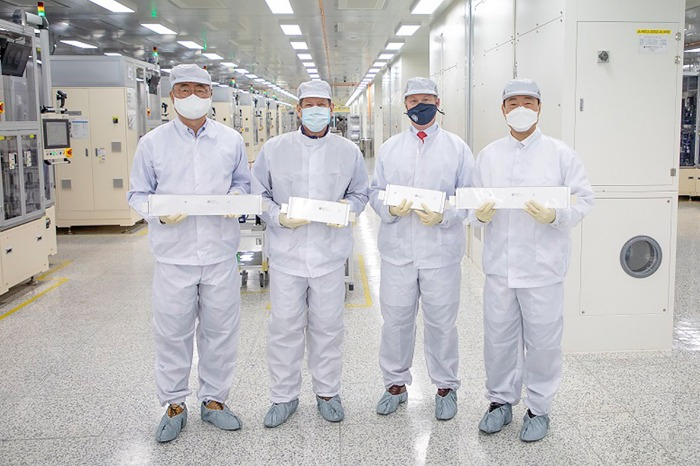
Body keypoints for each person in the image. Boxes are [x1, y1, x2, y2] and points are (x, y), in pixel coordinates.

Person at [127, 64, 251, 442]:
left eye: (200, 89)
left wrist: (235, 199)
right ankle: (174, 404)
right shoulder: (153, 143)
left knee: (220, 331)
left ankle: (214, 400)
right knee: (172, 332)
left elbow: (244, 184)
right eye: (184, 90)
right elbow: (137, 194)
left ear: (210, 95)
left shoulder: (231, 140)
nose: (193, 97)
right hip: (173, 256)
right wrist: (157, 211)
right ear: (171, 96)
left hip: (219, 253)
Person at [471, 78, 594, 442]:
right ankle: (500, 402)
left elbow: (584, 200)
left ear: (539, 107)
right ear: (503, 109)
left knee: (542, 342)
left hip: (543, 268)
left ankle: (539, 408)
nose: (520, 109)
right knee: (498, 339)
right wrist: (478, 214)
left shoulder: (561, 154)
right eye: (513, 103)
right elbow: (472, 206)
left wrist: (555, 215)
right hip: (499, 269)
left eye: (528, 102)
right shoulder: (489, 155)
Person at [251, 80, 369, 428]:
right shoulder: (274, 148)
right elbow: (259, 195)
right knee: (284, 327)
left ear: (331, 109)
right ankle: (283, 397)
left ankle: (328, 392)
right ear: (298, 109)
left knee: (328, 327)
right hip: (287, 255)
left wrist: (347, 209)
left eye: (322, 104)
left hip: (330, 256)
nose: (316, 110)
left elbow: (361, 193)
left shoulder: (348, 151)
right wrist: (278, 216)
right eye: (309, 104)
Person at [369, 77, 474, 421]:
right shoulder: (390, 148)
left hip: (441, 253)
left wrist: (445, 215)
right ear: (405, 105)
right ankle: (395, 384)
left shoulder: (457, 148)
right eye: (413, 100)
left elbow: (469, 196)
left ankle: (445, 387)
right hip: (397, 251)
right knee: (396, 321)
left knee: (442, 322)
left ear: (438, 102)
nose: (420, 106)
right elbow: (375, 191)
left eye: (426, 99)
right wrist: (388, 209)